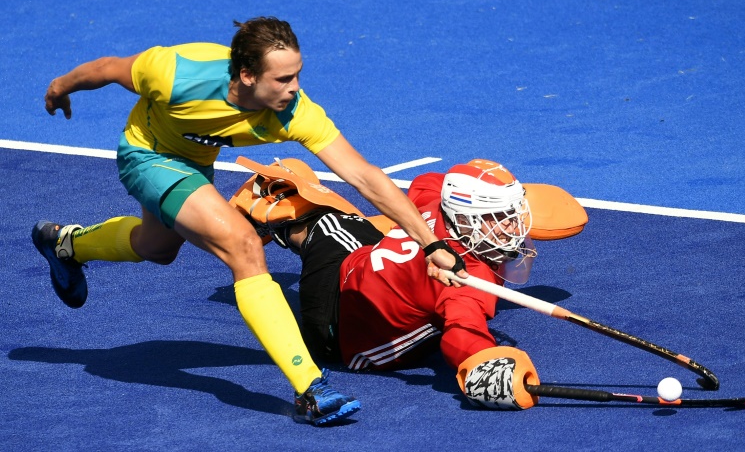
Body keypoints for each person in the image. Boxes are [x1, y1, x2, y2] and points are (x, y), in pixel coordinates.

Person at [34, 16, 467, 426]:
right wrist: (59, 87)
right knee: (244, 245)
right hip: (147, 156)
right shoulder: (177, 72)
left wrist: (431, 244)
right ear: (246, 75)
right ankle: (309, 387)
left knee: (157, 248)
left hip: (194, 164)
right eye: (283, 79)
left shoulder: (297, 113)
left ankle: (65, 244)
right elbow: (109, 68)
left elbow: (365, 177)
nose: (295, 89)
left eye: (297, 75)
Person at [231, 157, 588, 410]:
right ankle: (273, 209)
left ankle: (324, 216)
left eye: (511, 215)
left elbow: (429, 181)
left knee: (353, 226)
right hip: (336, 318)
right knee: (324, 223)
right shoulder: (468, 281)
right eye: (500, 218)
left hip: (364, 284)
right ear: (465, 218)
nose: (513, 228)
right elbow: (462, 334)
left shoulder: (433, 200)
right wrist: (485, 362)